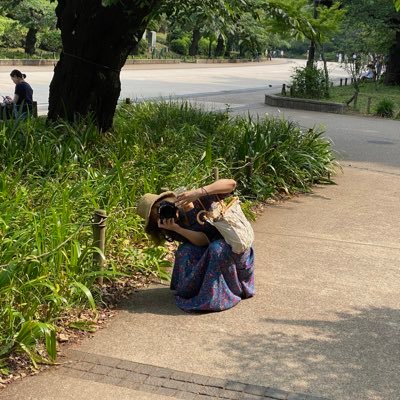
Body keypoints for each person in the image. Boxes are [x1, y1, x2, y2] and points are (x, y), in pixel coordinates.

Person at [137, 179, 255, 312]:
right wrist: (177, 229)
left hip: (234, 245)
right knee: (185, 250)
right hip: (211, 247)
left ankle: (223, 293)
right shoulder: (171, 225)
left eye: (161, 206)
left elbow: (231, 184)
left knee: (216, 249)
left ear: (169, 198)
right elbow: (204, 241)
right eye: (158, 213)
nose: (164, 211)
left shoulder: (197, 198)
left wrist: (198, 192)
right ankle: (194, 291)